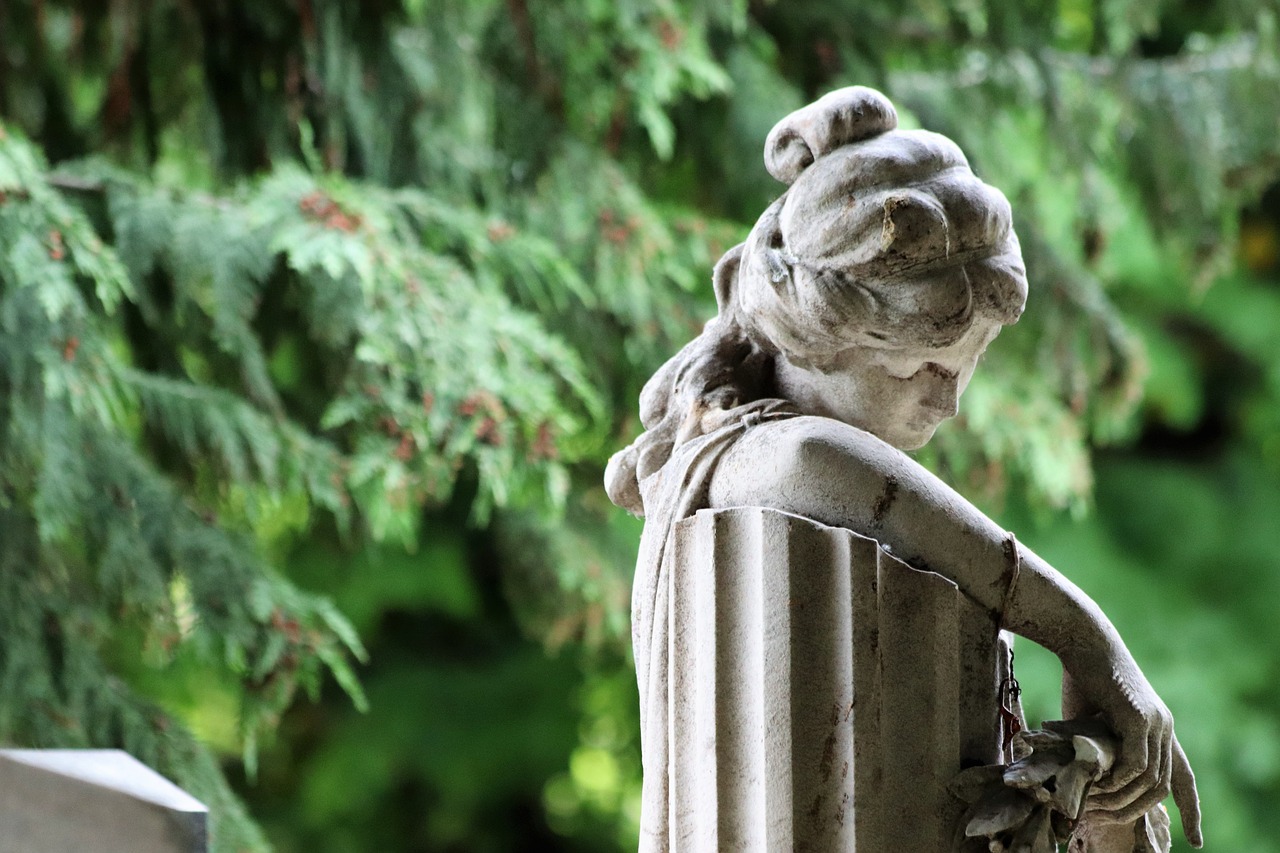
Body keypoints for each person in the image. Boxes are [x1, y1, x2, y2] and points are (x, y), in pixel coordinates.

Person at [605, 86, 1202, 848]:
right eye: (922, 366)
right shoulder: (748, 455)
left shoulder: (825, 487)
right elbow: (820, 463)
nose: (948, 399)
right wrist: (1086, 635)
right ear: (818, 337)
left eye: (968, 364)